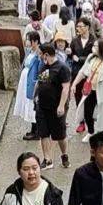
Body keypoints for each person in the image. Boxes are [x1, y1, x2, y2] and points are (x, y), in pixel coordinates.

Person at [34, 42, 71, 171]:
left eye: (40, 54)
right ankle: (47, 159)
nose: (39, 56)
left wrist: (61, 106)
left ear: (46, 54)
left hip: (56, 107)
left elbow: (65, 88)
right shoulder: (44, 66)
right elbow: (41, 82)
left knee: (60, 135)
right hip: (42, 106)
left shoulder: (62, 68)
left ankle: (64, 155)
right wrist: (35, 95)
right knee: (43, 133)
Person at [76, 38, 103, 138]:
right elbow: (83, 72)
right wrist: (74, 84)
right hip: (90, 90)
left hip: (102, 91)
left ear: (102, 48)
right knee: (87, 112)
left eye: (95, 46)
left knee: (102, 114)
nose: (93, 48)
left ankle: (101, 133)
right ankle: (90, 132)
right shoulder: (91, 58)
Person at [13, 30, 41, 140]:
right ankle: (33, 130)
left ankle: (36, 131)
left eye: (29, 40)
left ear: (35, 41)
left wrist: (37, 83)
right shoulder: (29, 51)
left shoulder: (39, 54)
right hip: (25, 80)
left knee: (32, 105)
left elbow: (41, 70)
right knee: (27, 103)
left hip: (32, 81)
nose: (27, 41)